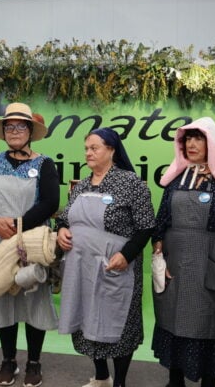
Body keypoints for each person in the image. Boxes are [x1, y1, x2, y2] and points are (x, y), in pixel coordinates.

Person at [152, 117, 215, 387]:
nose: (192, 144)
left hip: (213, 267)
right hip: (177, 265)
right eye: (188, 139)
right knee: (174, 321)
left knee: (209, 325)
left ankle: (208, 383)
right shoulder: (175, 178)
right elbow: (160, 223)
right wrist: (158, 258)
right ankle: (175, 382)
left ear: (212, 142)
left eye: (199, 138)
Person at [56, 127, 155, 387]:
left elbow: (146, 226)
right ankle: (101, 376)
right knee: (87, 319)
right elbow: (65, 218)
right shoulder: (81, 185)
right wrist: (61, 230)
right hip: (82, 268)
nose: (88, 153)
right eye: (86, 149)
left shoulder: (130, 183)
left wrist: (126, 255)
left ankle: (119, 381)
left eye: (94, 148)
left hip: (116, 268)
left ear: (111, 150)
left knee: (118, 324)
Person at [0, 103, 60, 387]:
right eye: (10, 127)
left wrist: (19, 224)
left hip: (30, 242)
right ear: (3, 132)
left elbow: (50, 202)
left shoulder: (44, 164)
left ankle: (34, 362)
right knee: (3, 298)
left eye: (21, 126)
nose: (15, 131)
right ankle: (8, 360)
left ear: (31, 131)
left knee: (33, 300)